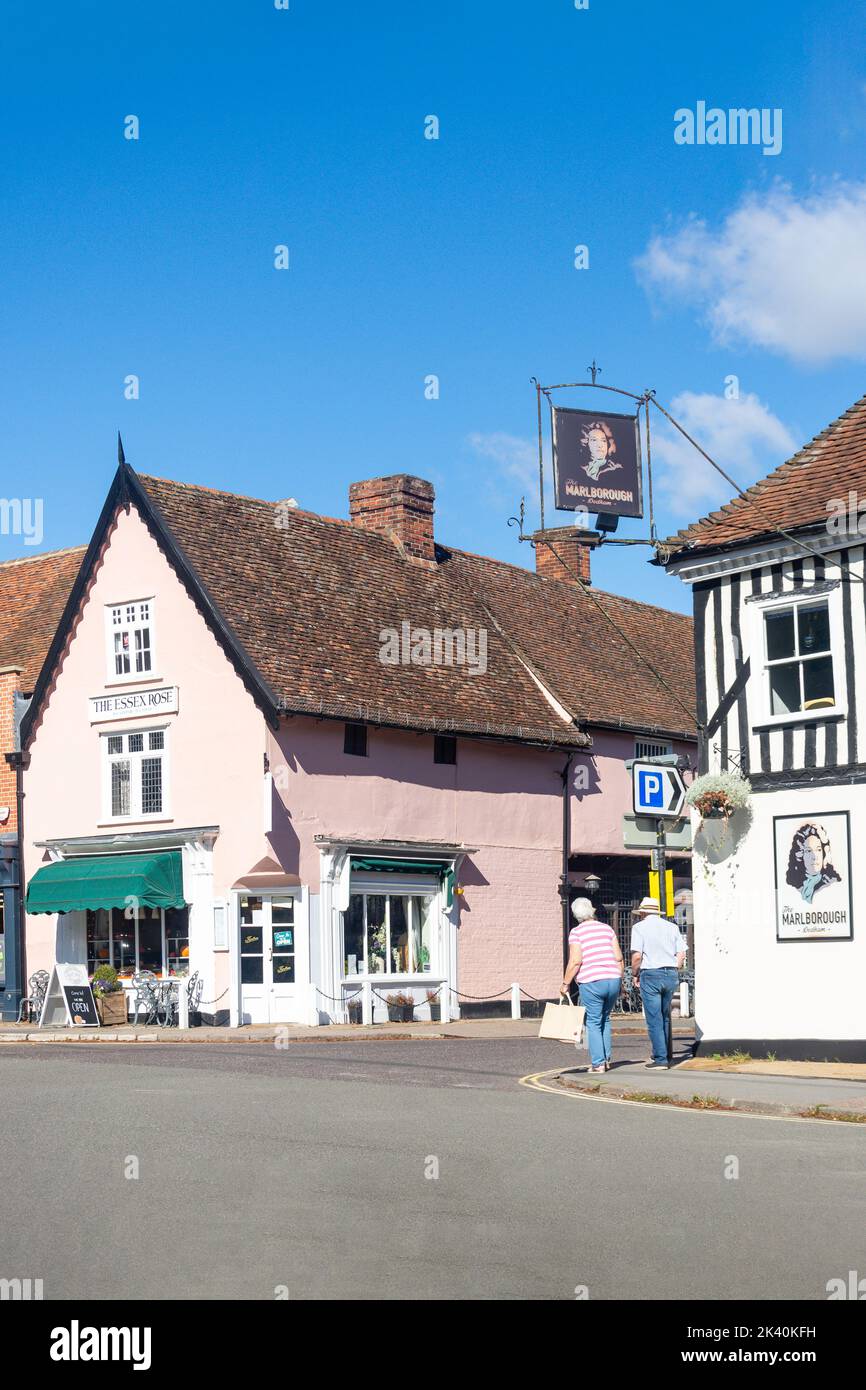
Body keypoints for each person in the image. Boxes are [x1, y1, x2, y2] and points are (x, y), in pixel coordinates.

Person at [560, 897, 623, 1074]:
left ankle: (598, 1064)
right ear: (591, 910)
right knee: (605, 1018)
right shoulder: (607, 929)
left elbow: (575, 961)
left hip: (592, 981)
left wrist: (565, 983)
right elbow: (618, 957)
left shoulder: (577, 933)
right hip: (613, 978)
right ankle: (607, 1059)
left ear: (576, 915)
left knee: (593, 1022)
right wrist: (619, 981)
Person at [630, 895, 686, 1069]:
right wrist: (673, 968)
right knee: (665, 1016)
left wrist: (634, 974)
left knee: (654, 1018)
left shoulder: (639, 927)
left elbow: (637, 956)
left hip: (651, 974)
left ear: (643, 913)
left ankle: (660, 1059)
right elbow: (681, 954)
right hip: (670, 974)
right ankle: (666, 1054)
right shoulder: (672, 927)